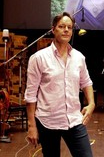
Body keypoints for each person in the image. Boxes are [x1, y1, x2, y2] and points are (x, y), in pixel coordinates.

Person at [24, 12, 95, 157]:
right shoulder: (38, 58)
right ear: (53, 29)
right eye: (62, 26)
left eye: (69, 27)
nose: (66, 30)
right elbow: (30, 96)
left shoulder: (79, 57)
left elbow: (86, 82)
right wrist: (32, 126)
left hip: (74, 120)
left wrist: (92, 104)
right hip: (47, 121)